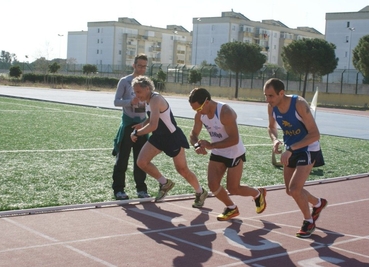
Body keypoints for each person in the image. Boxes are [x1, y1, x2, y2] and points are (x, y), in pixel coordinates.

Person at [188, 88, 267, 221]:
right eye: (195, 110)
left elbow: (234, 139)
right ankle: (231, 207)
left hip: (234, 152)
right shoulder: (200, 114)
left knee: (233, 188)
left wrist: (211, 145)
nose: (198, 112)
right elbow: (193, 134)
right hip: (218, 151)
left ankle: (258, 193)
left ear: (207, 102)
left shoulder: (225, 112)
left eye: (199, 108)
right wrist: (196, 145)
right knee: (213, 185)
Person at [130, 76, 208, 207]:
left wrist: (136, 133)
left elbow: (153, 125)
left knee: (182, 170)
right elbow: (152, 118)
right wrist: (142, 123)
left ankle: (200, 192)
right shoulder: (147, 100)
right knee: (141, 162)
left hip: (172, 138)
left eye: (138, 92)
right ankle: (165, 183)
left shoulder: (156, 99)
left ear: (147, 88)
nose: (137, 95)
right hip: (158, 137)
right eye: (135, 92)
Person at [264, 78, 327, 238]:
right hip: (290, 148)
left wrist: (291, 149)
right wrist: (275, 140)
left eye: (271, 95)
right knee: (290, 191)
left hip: (307, 148)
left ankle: (309, 221)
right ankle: (318, 203)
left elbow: (315, 134)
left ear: (281, 93)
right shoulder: (271, 107)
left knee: (294, 189)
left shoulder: (298, 104)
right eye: (265, 95)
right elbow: (271, 127)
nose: (268, 99)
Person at [112, 54, 150, 200]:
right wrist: (130, 101)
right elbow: (116, 101)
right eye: (140, 65)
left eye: (145, 66)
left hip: (142, 126)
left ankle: (141, 189)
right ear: (133, 65)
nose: (142, 68)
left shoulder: (148, 83)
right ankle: (119, 189)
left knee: (141, 160)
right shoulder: (125, 81)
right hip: (128, 124)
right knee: (122, 159)